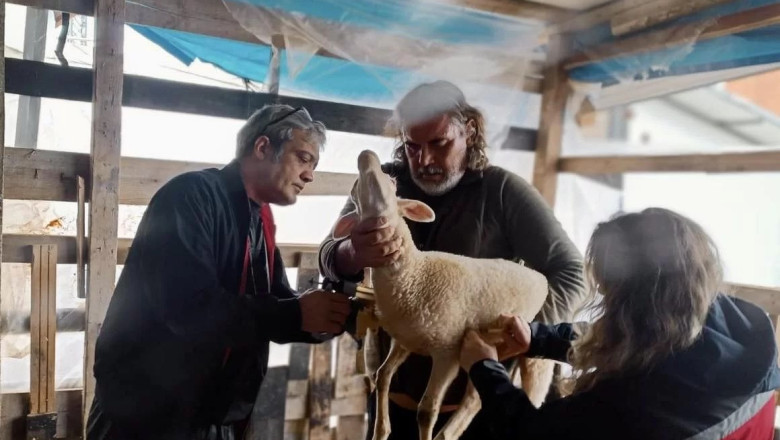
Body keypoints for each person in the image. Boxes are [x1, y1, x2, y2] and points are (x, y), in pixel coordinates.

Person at [318, 80, 586, 439]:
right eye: (412, 146)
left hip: (472, 412)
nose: (424, 160)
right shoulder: (384, 182)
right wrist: (352, 252)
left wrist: (526, 338)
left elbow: (571, 272)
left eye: (439, 143)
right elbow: (328, 253)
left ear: (469, 131)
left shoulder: (503, 193)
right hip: (390, 401)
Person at [87, 104, 352, 440]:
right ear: (262, 147)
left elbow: (283, 306)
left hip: (210, 419)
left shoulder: (261, 223)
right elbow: (189, 309)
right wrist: (294, 313)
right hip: (144, 417)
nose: (309, 175)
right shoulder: (191, 196)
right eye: (303, 158)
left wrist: (348, 280)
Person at [461, 208, 780, 440]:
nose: (601, 295)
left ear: (634, 305)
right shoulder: (738, 331)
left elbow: (529, 432)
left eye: (608, 292)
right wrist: (540, 338)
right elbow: (639, 345)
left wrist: (484, 369)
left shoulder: (631, 409)